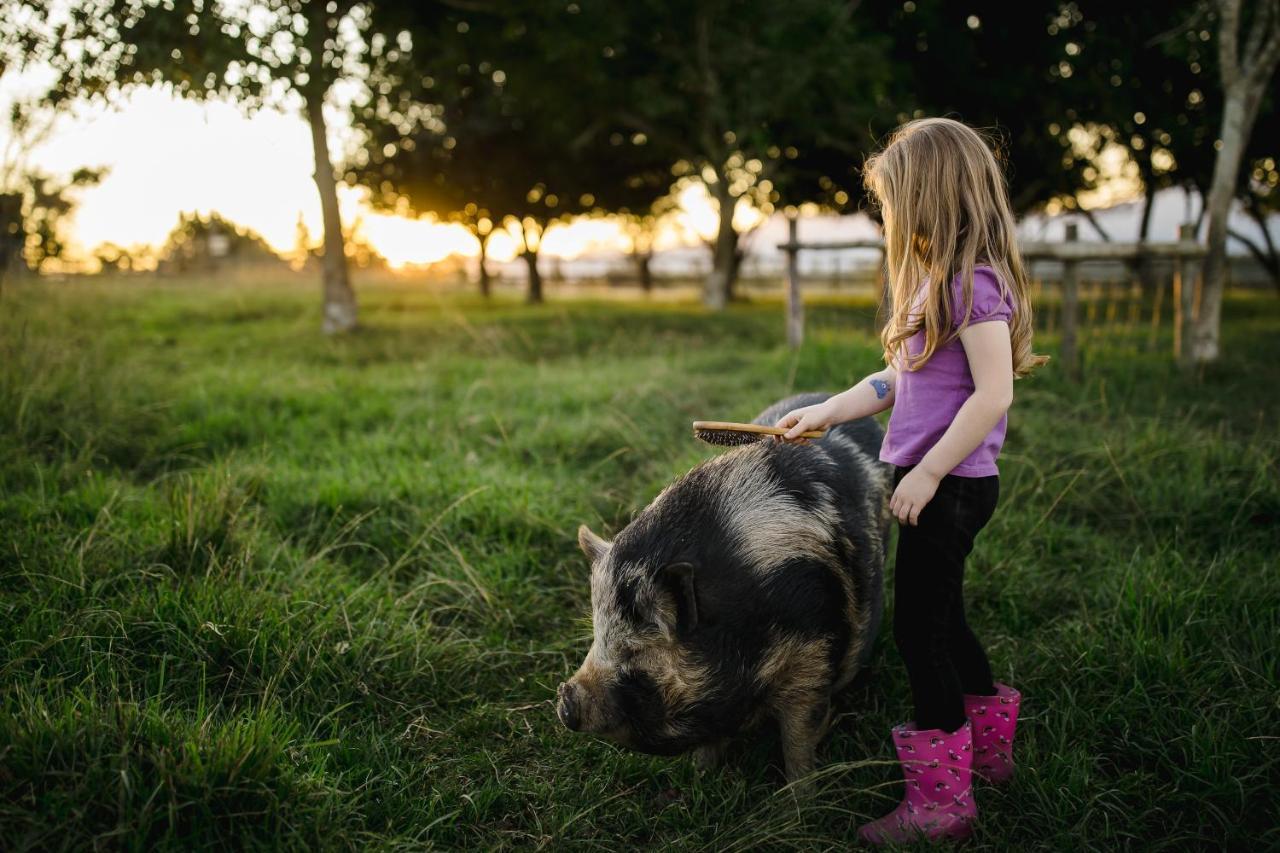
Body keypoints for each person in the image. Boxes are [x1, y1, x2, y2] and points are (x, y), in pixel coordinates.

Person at [773, 117, 1047, 844]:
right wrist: (828, 410)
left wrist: (926, 471)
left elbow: (993, 393)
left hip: (951, 485)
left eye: (893, 199)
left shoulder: (975, 282)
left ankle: (941, 805)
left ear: (930, 196)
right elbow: (900, 377)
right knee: (946, 620)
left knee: (919, 635)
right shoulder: (934, 279)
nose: (888, 215)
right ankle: (987, 756)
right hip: (936, 481)